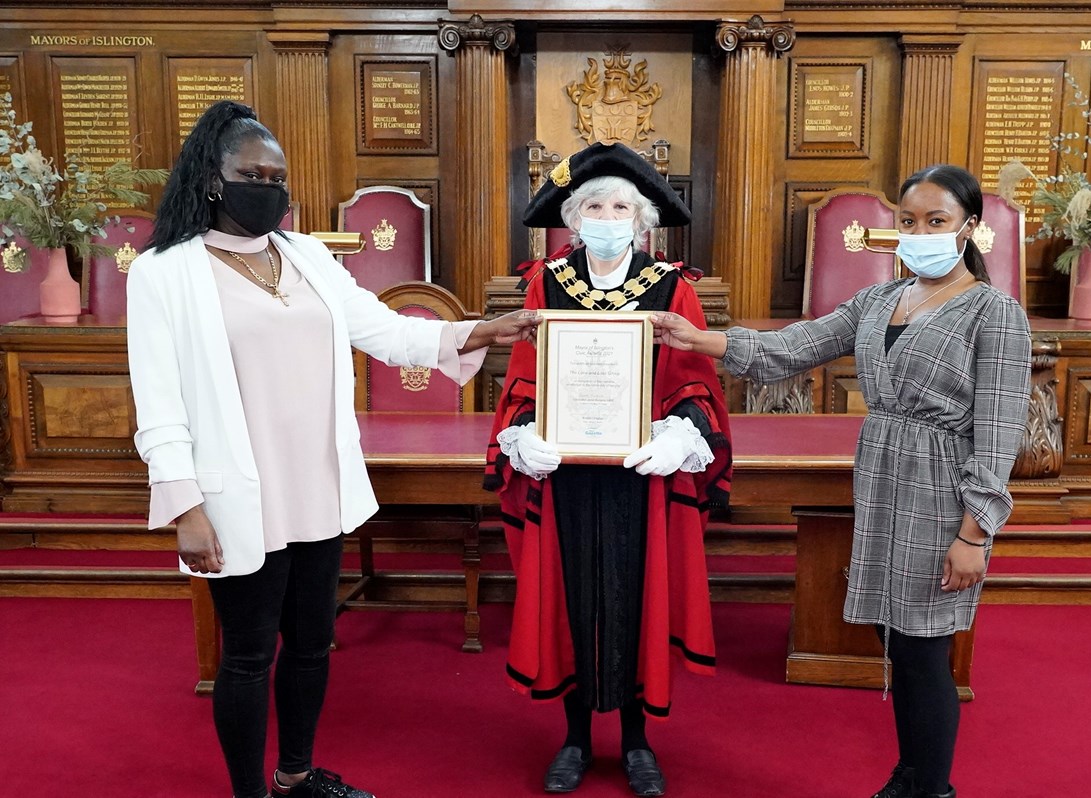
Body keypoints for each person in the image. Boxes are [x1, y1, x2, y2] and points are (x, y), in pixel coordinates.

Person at [126, 100, 537, 798]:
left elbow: (384, 332)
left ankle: (295, 775)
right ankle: (250, 794)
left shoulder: (305, 256)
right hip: (234, 493)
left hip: (317, 483)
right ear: (211, 178)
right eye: (252, 172)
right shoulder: (165, 272)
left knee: (313, 644)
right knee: (250, 654)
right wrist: (183, 506)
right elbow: (158, 401)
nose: (269, 186)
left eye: (278, 175)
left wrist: (481, 331)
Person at [650, 164, 1031, 798]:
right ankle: (910, 774)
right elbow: (795, 346)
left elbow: (999, 429)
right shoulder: (881, 299)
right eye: (908, 221)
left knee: (923, 644)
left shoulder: (994, 313)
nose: (919, 233)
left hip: (942, 487)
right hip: (881, 478)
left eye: (936, 221)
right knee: (892, 633)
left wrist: (976, 531)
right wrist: (701, 338)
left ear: (968, 228)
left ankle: (932, 787)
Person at [484, 142, 732, 797]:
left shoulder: (673, 287)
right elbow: (522, 377)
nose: (607, 213)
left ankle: (635, 743)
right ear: (573, 216)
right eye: (593, 203)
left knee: (633, 600)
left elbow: (696, 382)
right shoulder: (544, 284)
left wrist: (679, 433)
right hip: (564, 472)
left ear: (642, 220)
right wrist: (523, 431)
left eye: (620, 204)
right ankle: (572, 738)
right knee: (569, 599)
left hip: (639, 473)